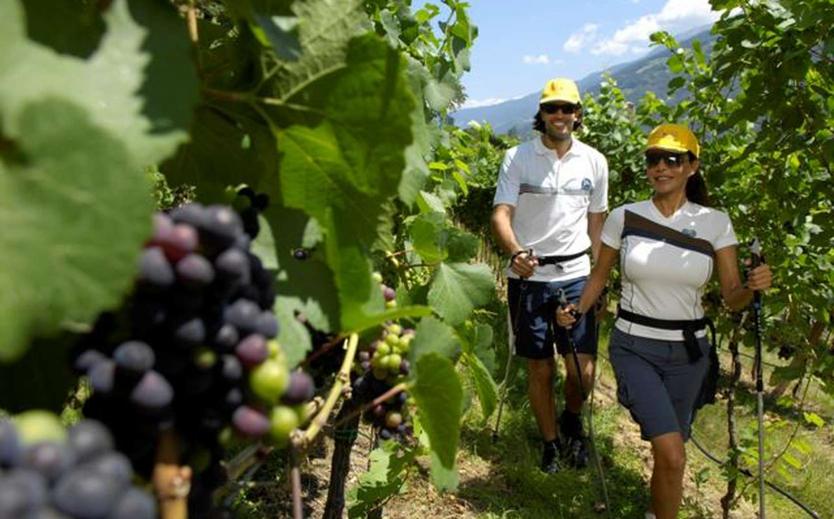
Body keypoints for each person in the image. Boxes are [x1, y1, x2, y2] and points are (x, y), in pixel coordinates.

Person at [556, 123, 773, 518]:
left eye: (672, 159)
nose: (661, 167)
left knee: (670, 453)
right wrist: (576, 310)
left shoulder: (716, 223)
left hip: (690, 355)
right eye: (653, 159)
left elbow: (732, 297)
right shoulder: (625, 217)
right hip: (635, 346)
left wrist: (754, 287)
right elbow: (598, 277)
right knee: (672, 454)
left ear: (692, 166)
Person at [491, 77, 609, 473]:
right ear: (540, 115)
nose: (559, 115)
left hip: (576, 274)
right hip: (528, 277)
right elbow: (501, 214)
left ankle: (572, 414)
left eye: (567, 108)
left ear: (578, 114)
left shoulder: (595, 161)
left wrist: (599, 280)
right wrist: (515, 252)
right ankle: (551, 443)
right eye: (551, 108)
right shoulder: (517, 157)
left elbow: (597, 223)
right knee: (539, 366)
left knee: (582, 368)